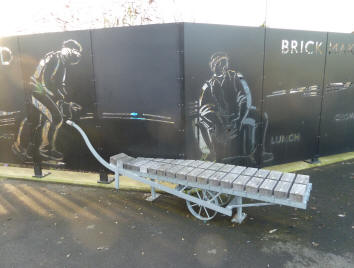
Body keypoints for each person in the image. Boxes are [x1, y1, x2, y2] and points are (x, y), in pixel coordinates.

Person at [12, 39, 82, 162]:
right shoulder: (54, 58)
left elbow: (60, 85)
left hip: (41, 91)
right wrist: (62, 102)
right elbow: (46, 83)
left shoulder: (61, 62)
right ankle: (45, 149)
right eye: (74, 51)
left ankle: (20, 147)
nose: (75, 55)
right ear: (66, 48)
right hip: (38, 91)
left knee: (33, 121)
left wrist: (66, 102)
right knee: (55, 118)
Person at [197, 52, 273, 164]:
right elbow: (204, 109)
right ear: (213, 66)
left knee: (263, 116)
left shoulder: (234, 77)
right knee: (205, 123)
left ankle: (259, 152)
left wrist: (240, 118)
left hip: (237, 115)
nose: (224, 67)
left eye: (225, 63)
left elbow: (243, 98)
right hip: (221, 119)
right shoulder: (208, 85)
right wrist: (218, 124)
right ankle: (215, 156)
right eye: (220, 64)